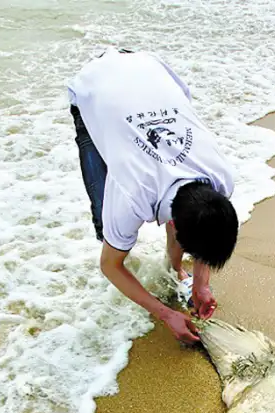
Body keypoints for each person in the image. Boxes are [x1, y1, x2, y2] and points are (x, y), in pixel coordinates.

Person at [68, 47, 238, 344]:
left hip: (150, 71)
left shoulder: (220, 177)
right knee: (103, 216)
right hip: (96, 88)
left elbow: (206, 229)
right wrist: (165, 314)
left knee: (191, 221)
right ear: (173, 223)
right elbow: (109, 265)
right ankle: (114, 245)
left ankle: (173, 269)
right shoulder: (132, 194)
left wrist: (202, 284)